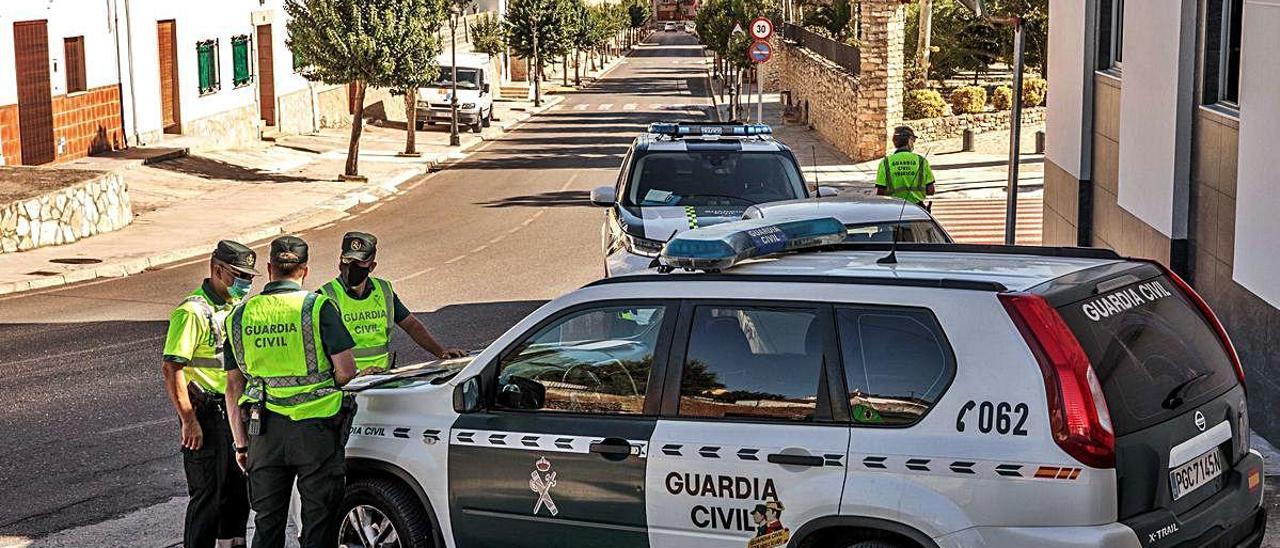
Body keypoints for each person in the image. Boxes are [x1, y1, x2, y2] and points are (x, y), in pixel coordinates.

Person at [223, 236, 358, 548]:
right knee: (318, 524)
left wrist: (240, 445)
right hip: (316, 432)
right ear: (305, 271)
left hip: (263, 432)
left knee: (267, 525)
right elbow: (347, 371)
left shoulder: (240, 316)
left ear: (269, 269)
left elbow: (233, 388)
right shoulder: (317, 307)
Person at [162, 240, 258, 548]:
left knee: (237, 495)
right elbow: (172, 368)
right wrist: (189, 419)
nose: (244, 283)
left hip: (235, 412)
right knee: (208, 498)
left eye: (249, 278)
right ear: (216, 270)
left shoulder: (237, 309)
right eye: (237, 276)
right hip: (208, 415)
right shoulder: (192, 312)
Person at [318, 231, 465, 373]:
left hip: (383, 377)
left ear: (372, 266)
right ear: (340, 261)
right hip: (347, 384)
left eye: (358, 263)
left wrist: (441, 352)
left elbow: (411, 325)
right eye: (347, 260)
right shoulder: (325, 296)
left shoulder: (383, 291)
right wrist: (351, 374)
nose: (351, 267)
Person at [875, 126, 936, 207]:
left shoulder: (885, 163)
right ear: (909, 140)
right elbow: (930, 190)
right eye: (913, 140)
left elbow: (881, 192)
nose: (913, 143)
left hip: (893, 208)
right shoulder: (921, 161)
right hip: (917, 208)